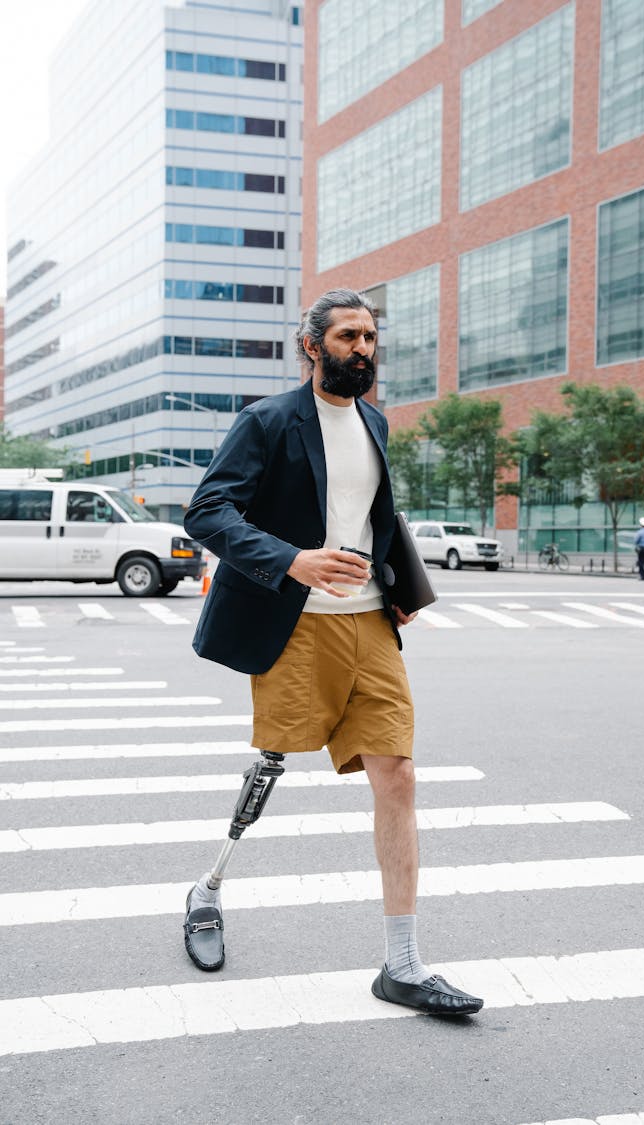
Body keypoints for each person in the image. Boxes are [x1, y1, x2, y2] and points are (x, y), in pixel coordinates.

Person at [180, 288, 483, 1017]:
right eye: (349, 335)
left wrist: (398, 582)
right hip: (294, 621)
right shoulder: (267, 421)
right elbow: (207, 511)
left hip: (370, 621)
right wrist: (292, 559)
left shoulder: (374, 420)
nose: (364, 349)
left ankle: (402, 964)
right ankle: (207, 889)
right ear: (312, 344)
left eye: (371, 336)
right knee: (274, 763)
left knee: (398, 774)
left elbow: (375, 514)